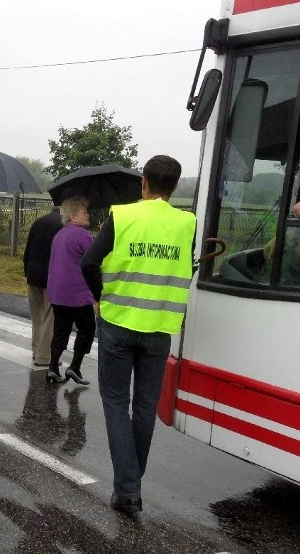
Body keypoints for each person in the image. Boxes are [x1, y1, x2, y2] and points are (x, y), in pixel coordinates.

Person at [80, 155, 196, 514]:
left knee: (115, 402)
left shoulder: (123, 216)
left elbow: (88, 263)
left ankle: (128, 488)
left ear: (143, 182)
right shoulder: (186, 223)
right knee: (144, 407)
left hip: (117, 323)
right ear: (174, 187)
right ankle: (132, 481)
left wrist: (101, 298)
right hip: (160, 328)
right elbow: (185, 268)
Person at [46, 196, 95, 385]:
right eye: (84, 212)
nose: (88, 215)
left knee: (61, 330)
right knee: (87, 328)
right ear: (73, 217)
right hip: (78, 293)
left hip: (58, 292)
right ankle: (75, 366)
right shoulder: (82, 235)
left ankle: (52, 367)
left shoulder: (59, 235)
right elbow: (93, 261)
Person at [22, 206, 64, 367]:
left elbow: (28, 249)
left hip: (33, 275)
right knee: (49, 317)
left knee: (37, 317)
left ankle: (36, 350)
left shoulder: (38, 222)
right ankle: (44, 357)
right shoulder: (63, 225)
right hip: (51, 276)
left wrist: (27, 270)